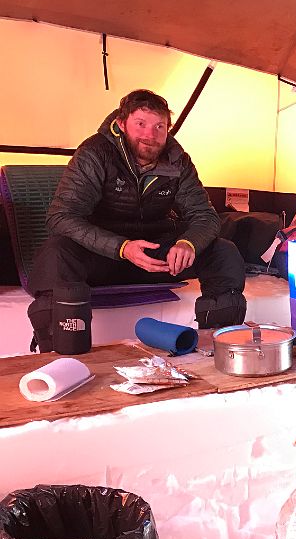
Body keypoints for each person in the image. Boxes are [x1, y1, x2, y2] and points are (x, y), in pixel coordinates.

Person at [27, 89, 247, 351]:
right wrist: (121, 247)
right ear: (121, 124)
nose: (150, 135)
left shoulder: (178, 161)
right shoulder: (95, 153)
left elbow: (205, 215)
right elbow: (61, 217)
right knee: (56, 253)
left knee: (223, 251)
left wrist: (188, 243)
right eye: (140, 124)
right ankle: (60, 354)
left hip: (157, 257)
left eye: (159, 127)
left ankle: (221, 345)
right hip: (104, 256)